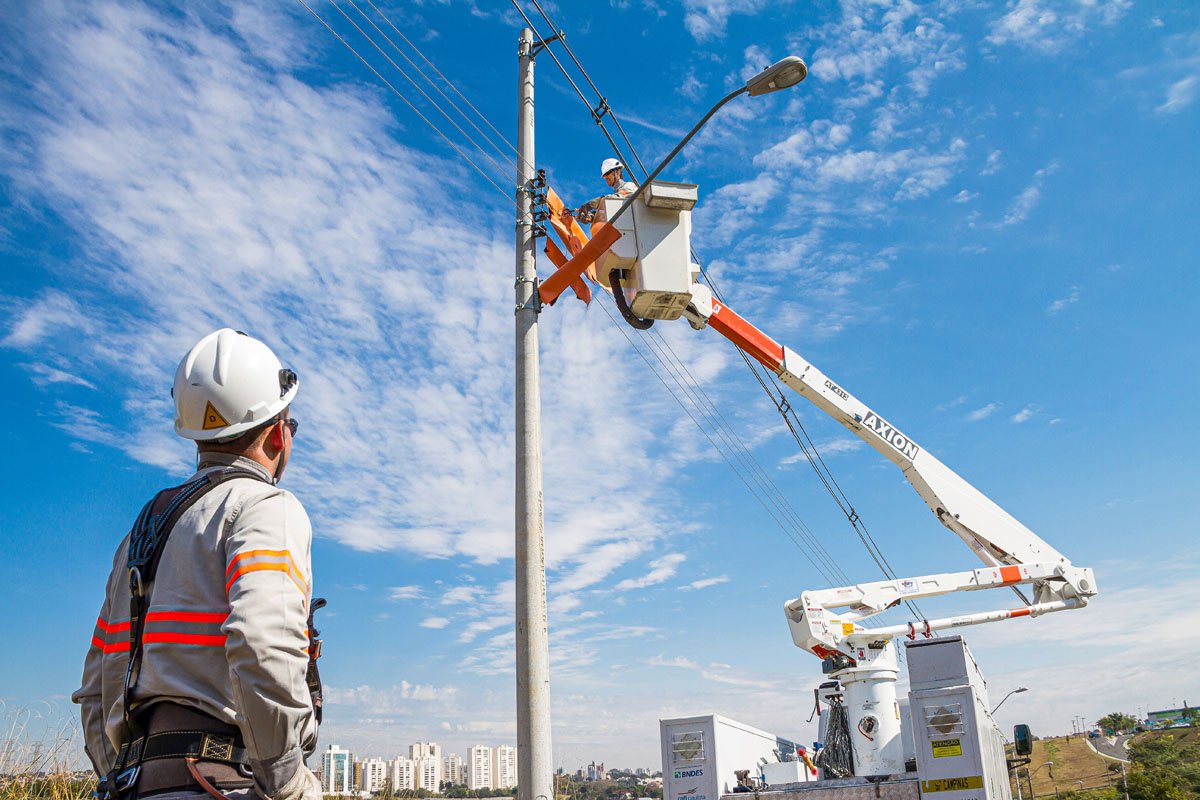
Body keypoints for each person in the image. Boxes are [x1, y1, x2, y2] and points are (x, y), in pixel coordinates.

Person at [73, 328, 321, 800]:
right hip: (219, 781)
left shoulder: (140, 532)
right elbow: (261, 643)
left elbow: (94, 687)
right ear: (276, 434)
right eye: (291, 426)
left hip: (133, 785)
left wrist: (124, 775)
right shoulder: (266, 506)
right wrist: (286, 778)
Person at [575, 157, 638, 222]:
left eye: (607, 173)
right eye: (604, 176)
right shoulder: (616, 198)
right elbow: (612, 212)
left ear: (618, 172)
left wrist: (589, 205)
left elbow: (616, 198)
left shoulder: (629, 185)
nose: (606, 177)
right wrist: (592, 216)